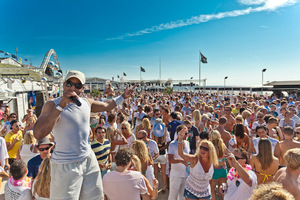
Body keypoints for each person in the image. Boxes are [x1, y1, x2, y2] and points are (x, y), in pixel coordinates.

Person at [33, 70, 135, 200]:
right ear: (64, 84)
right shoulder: (52, 104)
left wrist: (123, 97)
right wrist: (61, 106)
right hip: (66, 164)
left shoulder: (86, 103)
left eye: (77, 85)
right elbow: (38, 133)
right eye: (69, 83)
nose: (72, 88)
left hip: (88, 159)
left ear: (83, 88)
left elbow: (106, 105)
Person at [177, 126, 218, 200]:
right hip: (191, 190)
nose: (202, 149)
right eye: (201, 147)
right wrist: (180, 139)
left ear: (210, 151)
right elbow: (181, 154)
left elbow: (211, 180)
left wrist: (211, 192)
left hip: (205, 192)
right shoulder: (195, 159)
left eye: (205, 149)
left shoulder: (213, 162)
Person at [168, 125, 190, 200]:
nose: (187, 134)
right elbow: (170, 160)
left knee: (183, 197)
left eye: (187, 133)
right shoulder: (172, 144)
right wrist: (181, 161)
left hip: (186, 175)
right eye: (184, 133)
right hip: (176, 175)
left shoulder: (187, 143)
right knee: (173, 196)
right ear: (179, 133)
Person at [151, 118, 171, 192]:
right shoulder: (165, 132)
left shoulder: (152, 131)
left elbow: (151, 142)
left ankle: (155, 187)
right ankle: (164, 187)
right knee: (163, 172)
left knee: (155, 172)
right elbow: (168, 143)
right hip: (163, 154)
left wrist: (157, 150)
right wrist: (161, 148)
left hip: (155, 154)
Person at [209, 130, 229, 200]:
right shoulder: (222, 145)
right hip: (223, 169)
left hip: (215, 170)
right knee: (223, 190)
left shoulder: (211, 146)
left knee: (212, 190)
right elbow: (229, 153)